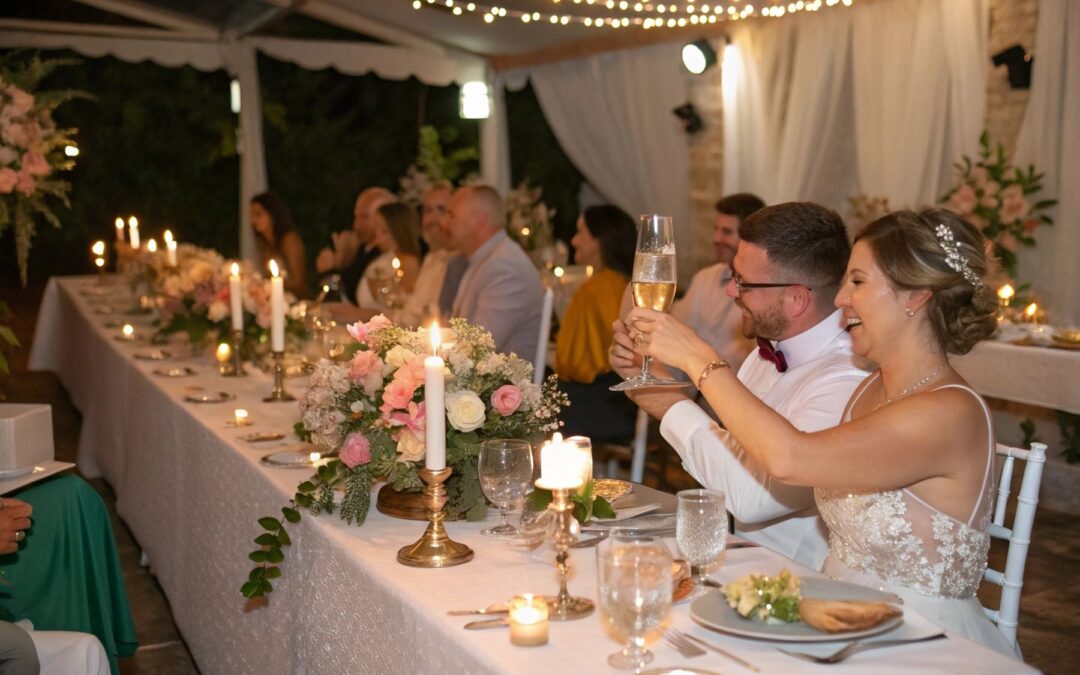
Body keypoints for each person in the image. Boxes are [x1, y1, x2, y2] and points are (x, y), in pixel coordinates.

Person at [623, 208, 1013, 656]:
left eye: (859, 282)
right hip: (835, 614)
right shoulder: (870, 388)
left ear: (915, 296)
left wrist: (698, 359)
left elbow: (791, 460)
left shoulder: (947, 412)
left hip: (917, 641)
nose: (842, 298)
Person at [610, 202, 866, 569]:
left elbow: (752, 497)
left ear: (796, 299)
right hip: (740, 563)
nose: (730, 291)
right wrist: (654, 379)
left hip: (800, 584)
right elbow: (730, 460)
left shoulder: (846, 380)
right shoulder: (763, 356)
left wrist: (674, 391)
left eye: (743, 282)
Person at [556, 205, 638, 442]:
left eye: (581, 233)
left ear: (600, 241)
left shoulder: (596, 289)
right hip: (626, 402)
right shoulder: (624, 282)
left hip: (605, 405)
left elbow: (573, 364)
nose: (573, 240)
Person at [441, 185, 542, 362]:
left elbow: (479, 349)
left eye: (452, 215)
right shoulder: (485, 257)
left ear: (480, 220)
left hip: (503, 388)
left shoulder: (505, 268)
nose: (444, 223)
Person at [671, 193, 764, 372]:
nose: (716, 239)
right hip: (693, 392)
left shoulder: (766, 289)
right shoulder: (704, 278)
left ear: (751, 237)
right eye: (716, 229)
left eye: (727, 232)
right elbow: (679, 335)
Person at [315, 187, 397, 304]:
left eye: (364, 217)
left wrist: (338, 266)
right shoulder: (361, 250)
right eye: (356, 217)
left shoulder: (387, 256)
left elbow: (354, 300)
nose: (356, 225)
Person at [394, 182, 453, 328]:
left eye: (441, 210)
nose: (432, 219)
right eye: (427, 211)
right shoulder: (430, 259)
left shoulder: (460, 262)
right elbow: (411, 316)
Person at [250, 192, 307, 298]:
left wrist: (270, 282)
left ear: (272, 214)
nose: (253, 220)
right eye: (252, 216)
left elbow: (299, 282)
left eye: (258, 214)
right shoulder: (265, 244)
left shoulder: (289, 240)